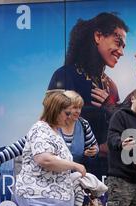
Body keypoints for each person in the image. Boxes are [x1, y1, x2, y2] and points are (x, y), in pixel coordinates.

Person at [48, 12, 128, 180]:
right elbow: (52, 123)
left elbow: (121, 127)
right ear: (98, 36)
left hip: (107, 171)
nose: (121, 52)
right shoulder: (64, 75)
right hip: (72, 169)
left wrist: (109, 109)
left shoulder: (111, 86)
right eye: (118, 42)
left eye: (123, 46)